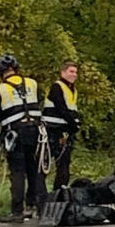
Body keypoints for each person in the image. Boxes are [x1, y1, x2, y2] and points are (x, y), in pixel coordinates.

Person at [0, 53, 48, 224]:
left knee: (18, 172)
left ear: (0, 72)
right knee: (35, 169)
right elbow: (39, 101)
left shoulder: (0, 89)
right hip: (36, 131)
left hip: (15, 134)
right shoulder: (32, 83)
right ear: (16, 68)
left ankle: (17, 211)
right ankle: (39, 207)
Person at [43, 61, 80, 190]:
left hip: (65, 131)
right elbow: (61, 108)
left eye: (75, 72)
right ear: (63, 72)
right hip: (52, 129)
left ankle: (59, 193)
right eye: (71, 71)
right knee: (44, 164)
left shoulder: (73, 89)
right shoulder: (57, 87)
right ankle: (38, 196)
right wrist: (73, 124)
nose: (74, 75)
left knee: (64, 164)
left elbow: (71, 110)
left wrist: (76, 123)